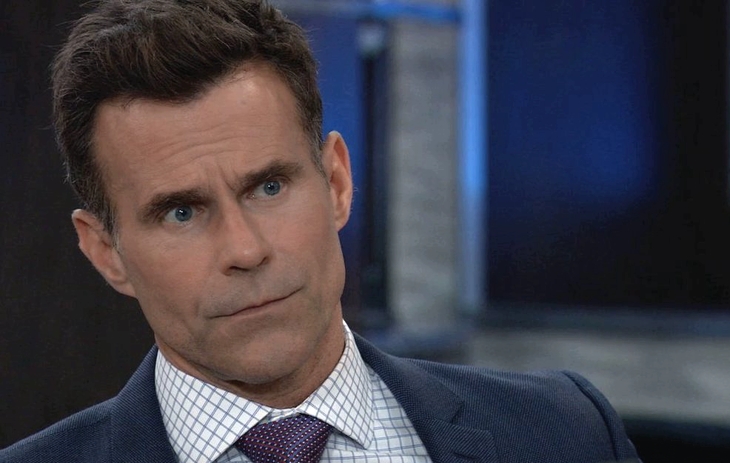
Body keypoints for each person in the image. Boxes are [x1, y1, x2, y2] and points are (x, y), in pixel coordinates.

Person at [0, 1, 640, 462]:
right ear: (106, 252)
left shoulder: (566, 432)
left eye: (269, 187)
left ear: (336, 181)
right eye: (181, 213)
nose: (246, 250)